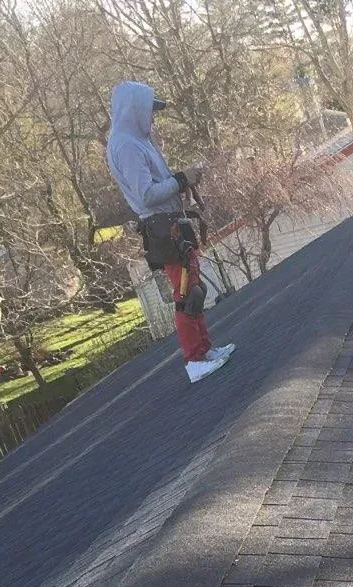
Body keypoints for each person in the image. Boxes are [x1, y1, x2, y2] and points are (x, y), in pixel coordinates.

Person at [106, 81, 234, 384]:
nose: (154, 118)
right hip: (163, 227)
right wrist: (181, 179)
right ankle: (194, 359)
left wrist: (182, 181)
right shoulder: (125, 145)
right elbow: (146, 194)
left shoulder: (137, 140)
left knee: (194, 288)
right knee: (185, 293)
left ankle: (205, 350)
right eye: (150, 111)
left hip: (172, 222)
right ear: (135, 110)